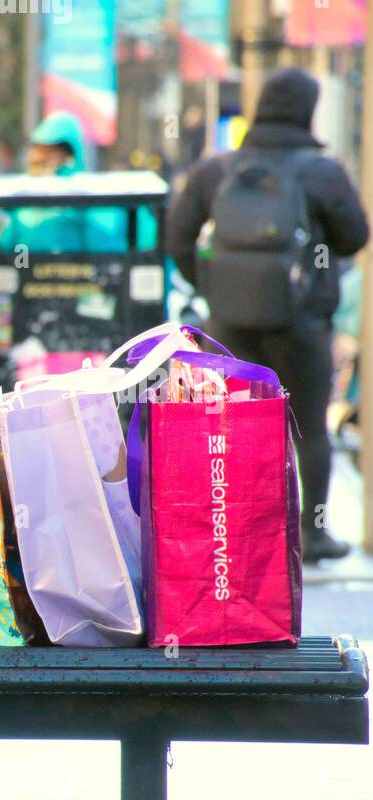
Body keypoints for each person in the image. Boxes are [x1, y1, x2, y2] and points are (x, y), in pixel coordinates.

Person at [167, 67, 370, 563]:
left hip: (228, 325)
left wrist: (211, 286)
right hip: (300, 323)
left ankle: (233, 529)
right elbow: (354, 236)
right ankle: (313, 534)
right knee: (310, 430)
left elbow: (176, 235)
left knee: (230, 427)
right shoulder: (321, 171)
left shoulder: (218, 169)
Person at [0, 111, 158, 255]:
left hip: (83, 285)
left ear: (68, 154)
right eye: (36, 150)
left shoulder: (97, 200)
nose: (37, 158)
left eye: (47, 152)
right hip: (31, 285)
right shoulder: (20, 203)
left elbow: (119, 250)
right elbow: (6, 250)